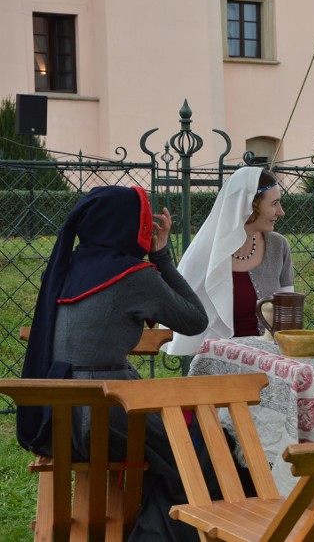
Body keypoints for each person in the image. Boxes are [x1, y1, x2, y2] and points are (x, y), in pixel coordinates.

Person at [17, 185, 213, 540]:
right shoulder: (134, 276)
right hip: (103, 415)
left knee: (172, 452)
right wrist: (162, 256)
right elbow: (196, 320)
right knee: (200, 458)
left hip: (53, 421)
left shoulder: (65, 266)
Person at [167, 166, 294, 354]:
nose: (281, 212)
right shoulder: (204, 253)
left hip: (272, 361)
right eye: (274, 203)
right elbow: (180, 312)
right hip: (218, 363)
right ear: (250, 204)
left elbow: (290, 315)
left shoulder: (278, 246)